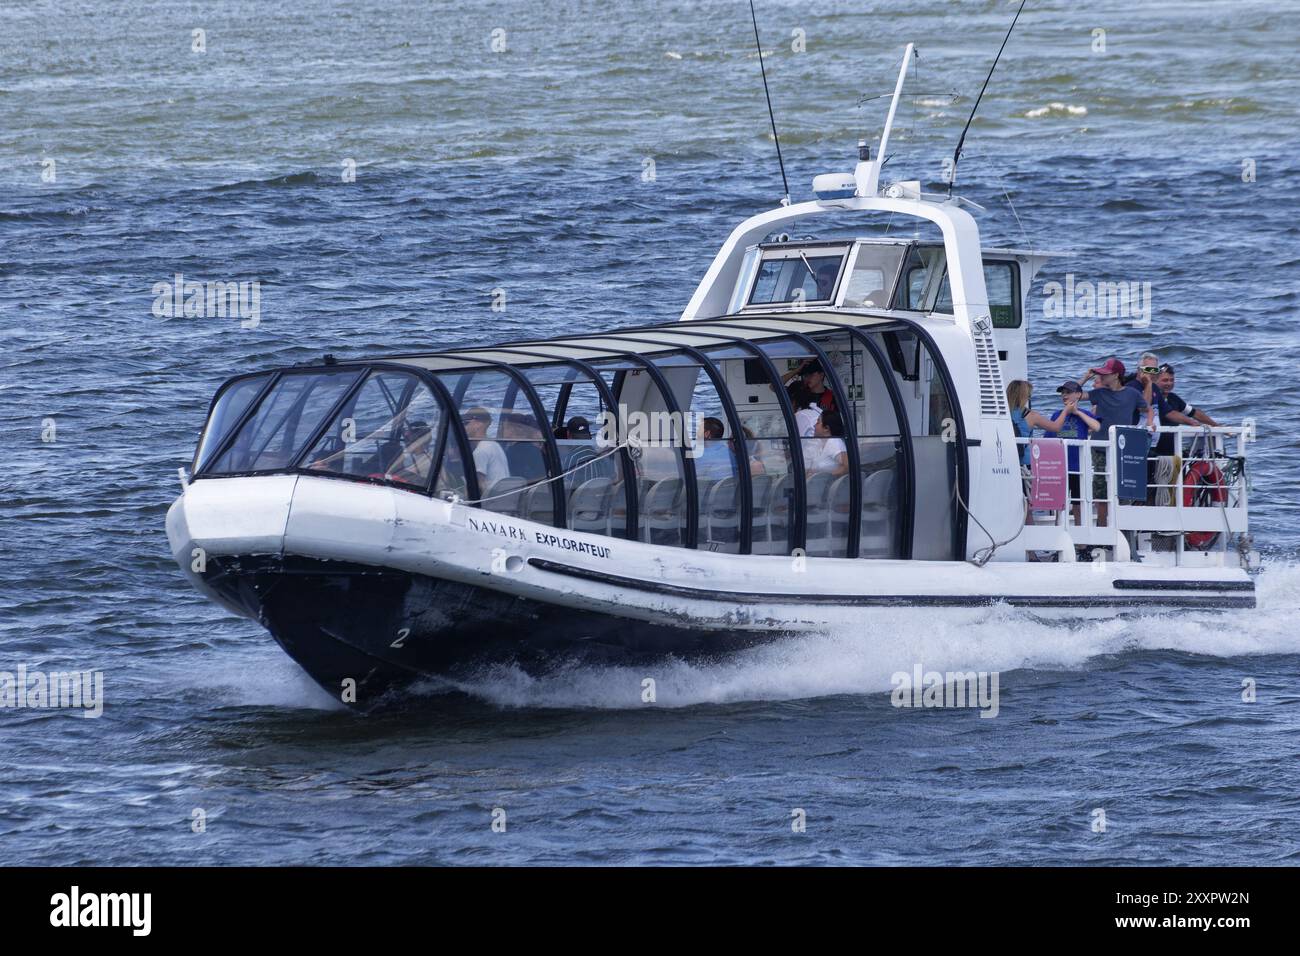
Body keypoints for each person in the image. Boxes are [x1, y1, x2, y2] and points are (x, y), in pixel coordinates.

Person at [1078, 358, 1153, 526]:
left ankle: (1122, 529)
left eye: (1106, 374)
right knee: (1101, 491)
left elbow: (1147, 408)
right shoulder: (1100, 393)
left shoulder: (1132, 394)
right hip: (1099, 448)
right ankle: (1102, 529)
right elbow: (1073, 396)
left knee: (1124, 490)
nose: (1102, 377)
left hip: (1122, 449)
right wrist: (1086, 377)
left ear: (1117, 375)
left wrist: (1150, 423)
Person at [1047, 381, 1100, 522]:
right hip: (1060, 467)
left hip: (1078, 468)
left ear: (1078, 395)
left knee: (1078, 504)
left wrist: (1077, 413)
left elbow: (1096, 427)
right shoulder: (1056, 415)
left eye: (1068, 392)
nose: (1064, 395)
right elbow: (1048, 438)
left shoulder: (1084, 414)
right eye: (1062, 393)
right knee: (1058, 504)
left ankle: (1081, 541)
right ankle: (1058, 536)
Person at [1154, 363, 1218, 456]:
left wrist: (1216, 425)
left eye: (1172, 380)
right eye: (1165, 380)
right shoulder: (1153, 397)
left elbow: (1195, 413)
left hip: (1173, 449)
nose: (1169, 383)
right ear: (1155, 381)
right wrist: (1192, 423)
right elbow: (1171, 414)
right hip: (1155, 450)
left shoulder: (1173, 398)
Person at [462, 407, 510, 489]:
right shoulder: (495, 445)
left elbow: (478, 487)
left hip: (492, 499)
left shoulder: (480, 451)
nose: (463, 427)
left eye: (466, 423)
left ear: (478, 424)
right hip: (504, 497)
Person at [805, 410, 849, 477]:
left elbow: (847, 467)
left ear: (826, 428)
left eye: (817, 422)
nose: (814, 426)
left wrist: (824, 477)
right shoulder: (819, 444)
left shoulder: (834, 442)